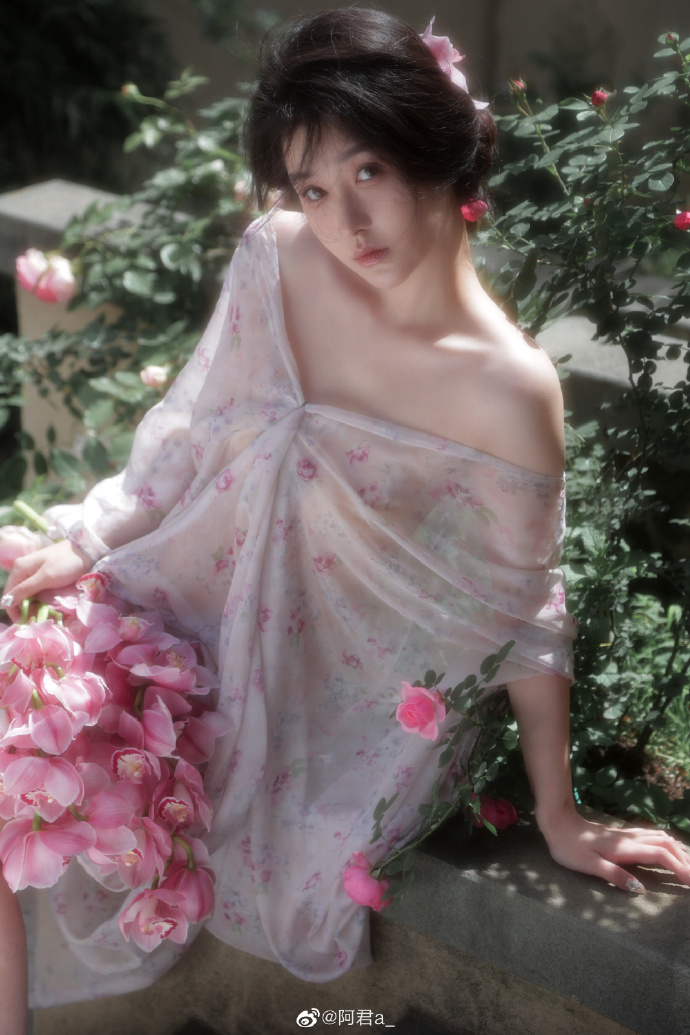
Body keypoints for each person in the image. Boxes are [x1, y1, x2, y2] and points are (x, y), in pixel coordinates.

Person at [1, 9, 688, 1032]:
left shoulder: (506, 388)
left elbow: (522, 608)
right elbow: (191, 432)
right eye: (313, 189)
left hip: (317, 694)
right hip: (179, 610)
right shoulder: (279, 258)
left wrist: (559, 811)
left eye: (368, 171)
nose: (346, 222)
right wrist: (91, 540)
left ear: (438, 150)